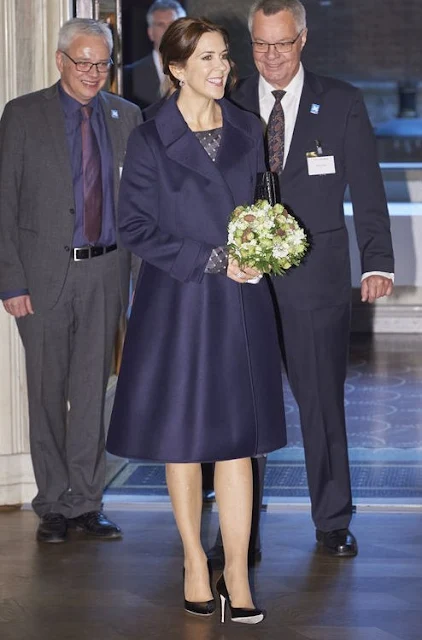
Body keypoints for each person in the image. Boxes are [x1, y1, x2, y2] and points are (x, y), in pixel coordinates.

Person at [107, 17, 286, 623]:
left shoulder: (248, 127)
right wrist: (214, 258)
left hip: (240, 302)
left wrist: (264, 250)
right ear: (176, 68)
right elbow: (133, 228)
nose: (221, 68)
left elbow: (262, 206)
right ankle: (191, 558)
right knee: (184, 441)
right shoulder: (150, 136)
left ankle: (235, 571)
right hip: (180, 301)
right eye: (206, 58)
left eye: (224, 56)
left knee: (238, 442)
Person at [209, 0, 395, 562]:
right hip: (244, 281)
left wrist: (377, 260)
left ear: (303, 40)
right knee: (243, 409)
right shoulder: (230, 102)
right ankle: (240, 530)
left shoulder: (340, 102)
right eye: (260, 45)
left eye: (281, 45)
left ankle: (333, 520)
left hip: (317, 280)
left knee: (321, 403)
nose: (270, 57)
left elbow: (367, 186)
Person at [0, 18, 142, 543]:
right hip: (40, 279)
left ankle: (86, 503)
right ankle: (52, 504)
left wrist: (140, 280)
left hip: (107, 271)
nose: (92, 73)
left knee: (91, 392)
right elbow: (4, 203)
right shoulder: (22, 114)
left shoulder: (126, 116)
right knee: (46, 392)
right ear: (60, 61)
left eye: (102, 63)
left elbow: (140, 205)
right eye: (82, 62)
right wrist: (11, 281)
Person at [123, 0, 186, 110]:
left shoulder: (198, 70)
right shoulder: (130, 75)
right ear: (150, 32)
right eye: (160, 25)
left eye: (172, 25)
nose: (167, 31)